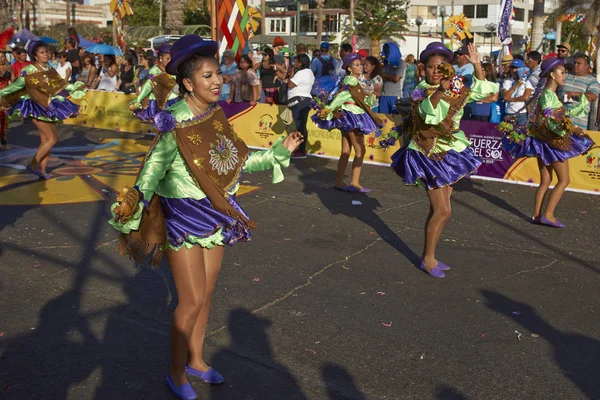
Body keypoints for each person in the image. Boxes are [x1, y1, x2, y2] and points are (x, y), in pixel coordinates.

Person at [108, 34, 303, 400]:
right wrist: (136, 198)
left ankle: (196, 359)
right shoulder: (174, 121)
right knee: (192, 299)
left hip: (215, 211)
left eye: (218, 74)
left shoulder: (214, 115)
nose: (217, 81)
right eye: (208, 75)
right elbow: (153, 167)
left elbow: (234, 161)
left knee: (207, 293)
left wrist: (279, 150)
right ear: (187, 82)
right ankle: (175, 372)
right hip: (182, 215)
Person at [390, 42, 498, 278]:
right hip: (429, 154)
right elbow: (430, 115)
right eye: (431, 67)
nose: (436, 71)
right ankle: (427, 259)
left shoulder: (455, 86)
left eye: (441, 67)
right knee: (443, 211)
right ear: (423, 68)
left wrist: (477, 64)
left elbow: (488, 93)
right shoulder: (420, 91)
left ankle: (431, 255)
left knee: (439, 209)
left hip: (450, 152)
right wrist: (441, 89)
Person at [500, 57, 594, 228]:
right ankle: (548, 215)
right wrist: (569, 130)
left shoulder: (548, 95)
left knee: (546, 180)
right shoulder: (548, 97)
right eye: (562, 73)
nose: (565, 76)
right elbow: (552, 122)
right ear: (552, 74)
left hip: (545, 143)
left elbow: (562, 117)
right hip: (554, 144)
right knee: (564, 180)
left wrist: (581, 105)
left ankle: (536, 215)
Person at [0, 40, 86, 178]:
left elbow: (61, 85)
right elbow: (16, 86)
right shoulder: (29, 70)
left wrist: (75, 87)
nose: (45, 54)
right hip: (36, 107)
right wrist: (1, 93)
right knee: (52, 138)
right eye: (42, 52)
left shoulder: (49, 69)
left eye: (46, 51)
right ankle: (33, 165)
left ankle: (42, 170)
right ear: (35, 56)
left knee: (45, 140)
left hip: (48, 107)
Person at [312, 52, 385, 193]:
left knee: (346, 151)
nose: (360, 67)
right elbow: (341, 97)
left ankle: (339, 182)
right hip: (353, 117)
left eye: (361, 64)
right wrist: (328, 109)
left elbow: (362, 101)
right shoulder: (351, 81)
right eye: (356, 65)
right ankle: (355, 183)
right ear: (350, 68)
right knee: (360, 150)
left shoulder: (354, 81)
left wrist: (369, 96)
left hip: (348, 116)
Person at [129, 43, 178, 123]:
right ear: (161, 58)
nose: (170, 61)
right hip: (158, 103)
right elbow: (148, 86)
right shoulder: (154, 71)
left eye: (171, 59)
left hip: (173, 102)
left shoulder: (173, 70)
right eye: (167, 59)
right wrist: (138, 100)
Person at [556, 53, 600, 130]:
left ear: (587, 66)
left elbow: (593, 96)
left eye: (579, 63)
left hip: (577, 125)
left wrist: (575, 94)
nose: (575, 65)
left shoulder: (592, 81)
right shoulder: (566, 75)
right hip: (559, 121)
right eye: (574, 63)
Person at [286, 53, 315, 159]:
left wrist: (292, 73)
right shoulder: (309, 72)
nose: (294, 63)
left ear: (301, 63)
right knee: (301, 125)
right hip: (304, 100)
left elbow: (290, 84)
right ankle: (300, 149)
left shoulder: (302, 73)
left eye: (296, 61)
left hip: (300, 101)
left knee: (300, 126)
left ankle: (301, 151)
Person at [501, 59, 533, 126]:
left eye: (516, 68)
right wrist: (516, 86)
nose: (514, 70)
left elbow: (526, 97)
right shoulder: (507, 82)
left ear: (522, 69)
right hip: (509, 113)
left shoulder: (527, 82)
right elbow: (505, 97)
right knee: (507, 135)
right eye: (512, 68)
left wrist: (512, 99)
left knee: (521, 135)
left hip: (522, 114)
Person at [380, 42, 407, 114]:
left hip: (395, 96)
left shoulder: (401, 63)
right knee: (383, 118)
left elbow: (396, 79)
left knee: (396, 119)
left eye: (388, 51)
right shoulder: (386, 63)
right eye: (385, 52)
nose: (387, 54)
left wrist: (385, 75)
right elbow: (381, 76)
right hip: (384, 95)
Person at [0, 49, 13, 145]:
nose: (1, 59)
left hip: (5, 93)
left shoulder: (8, 67)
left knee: (5, 115)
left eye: (2, 57)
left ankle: (3, 134)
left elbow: (13, 80)